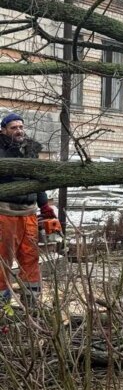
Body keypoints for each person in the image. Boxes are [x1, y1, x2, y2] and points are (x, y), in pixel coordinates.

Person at [0, 113, 57, 310]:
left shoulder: (30, 150)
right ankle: (3, 309)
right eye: (13, 127)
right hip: (5, 213)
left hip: (29, 213)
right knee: (3, 260)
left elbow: (37, 181)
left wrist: (45, 206)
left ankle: (32, 307)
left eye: (21, 127)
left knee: (31, 257)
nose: (19, 131)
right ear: (3, 130)